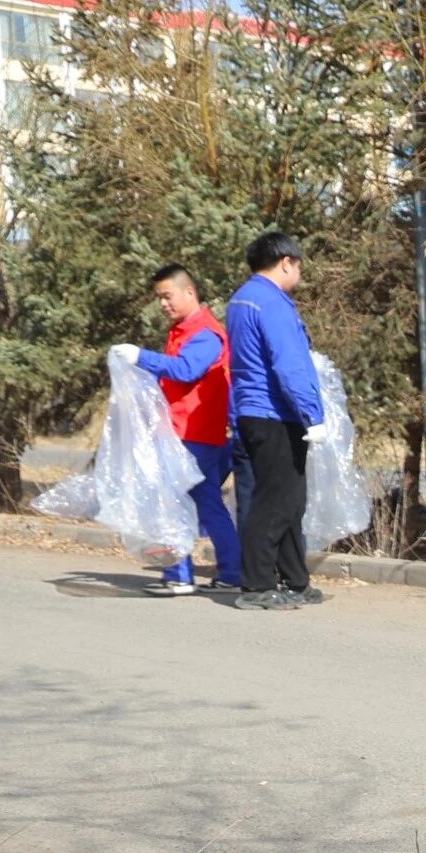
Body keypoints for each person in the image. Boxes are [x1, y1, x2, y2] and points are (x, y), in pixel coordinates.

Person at [115, 264, 242, 596]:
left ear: (189, 292)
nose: (163, 304)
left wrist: (140, 357)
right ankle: (232, 573)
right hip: (190, 433)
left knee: (172, 501)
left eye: (167, 296)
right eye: (159, 298)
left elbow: (186, 370)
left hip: (192, 435)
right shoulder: (184, 330)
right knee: (207, 502)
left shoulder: (206, 333)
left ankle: (179, 576)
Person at [224, 231, 326, 612]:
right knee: (277, 502)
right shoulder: (273, 303)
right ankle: (257, 584)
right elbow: (289, 364)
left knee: (288, 500)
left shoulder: (242, 298)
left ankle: (295, 580)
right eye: (299, 266)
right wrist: (311, 414)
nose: (300, 273)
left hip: (254, 412)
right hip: (276, 414)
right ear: (286, 262)